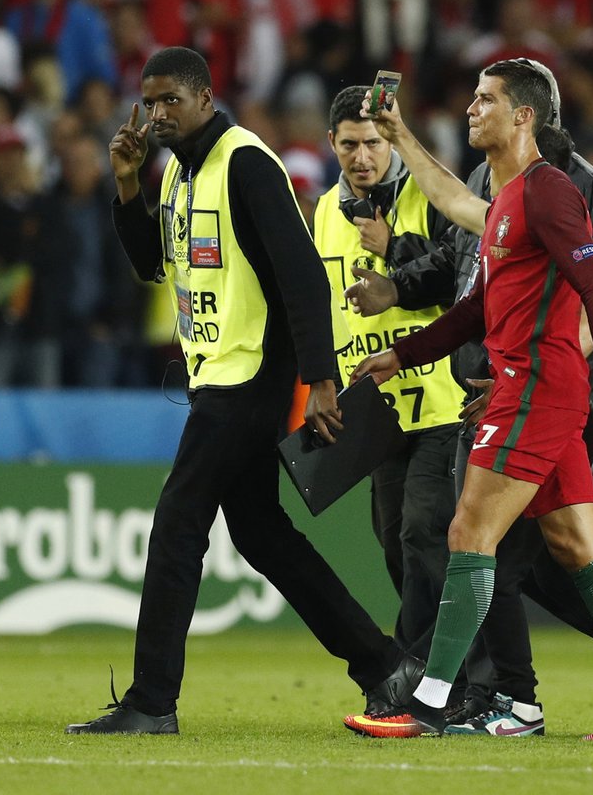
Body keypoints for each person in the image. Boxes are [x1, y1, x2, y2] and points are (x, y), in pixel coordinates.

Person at [65, 47, 422, 735]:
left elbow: (302, 276)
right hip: (215, 380)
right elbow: (150, 265)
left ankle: (151, 700)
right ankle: (384, 665)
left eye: (172, 99)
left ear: (204, 97)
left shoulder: (245, 163)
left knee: (177, 523)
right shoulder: (175, 174)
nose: (159, 113)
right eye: (150, 100)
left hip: (248, 378)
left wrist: (317, 379)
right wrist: (128, 184)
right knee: (261, 533)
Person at [341, 58, 593, 741]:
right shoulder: (507, 202)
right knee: (577, 544)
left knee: (468, 533)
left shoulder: (550, 194)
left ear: (523, 116)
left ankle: (434, 699)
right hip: (540, 391)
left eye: (486, 98)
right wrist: (405, 352)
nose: (472, 107)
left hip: (533, 389)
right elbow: (474, 303)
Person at [312, 85, 460, 689]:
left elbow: (465, 275)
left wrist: (395, 250)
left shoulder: (429, 196)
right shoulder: (323, 211)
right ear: (332, 144)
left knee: (424, 532)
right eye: (349, 145)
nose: (362, 157)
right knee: (395, 543)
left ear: (391, 140)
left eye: (373, 142)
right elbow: (324, 307)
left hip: (442, 397)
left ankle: (420, 676)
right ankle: (436, 670)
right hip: (377, 409)